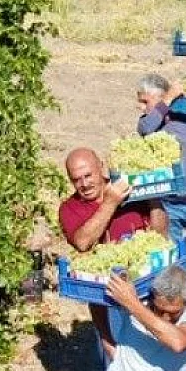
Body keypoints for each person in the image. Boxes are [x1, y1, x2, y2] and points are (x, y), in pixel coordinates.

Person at [59, 147, 167, 359]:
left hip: (147, 292)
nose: (84, 184)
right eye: (76, 179)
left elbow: (161, 235)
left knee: (151, 360)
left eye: (88, 175)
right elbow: (82, 243)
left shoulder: (129, 188)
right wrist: (110, 202)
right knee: (116, 365)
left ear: (101, 166)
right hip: (107, 301)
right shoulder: (69, 208)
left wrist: (153, 196)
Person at [135, 74, 186, 317]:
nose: (140, 107)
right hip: (170, 205)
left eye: (144, 101)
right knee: (170, 261)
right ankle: (173, 309)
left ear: (159, 96)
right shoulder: (152, 123)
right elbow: (144, 128)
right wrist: (166, 101)